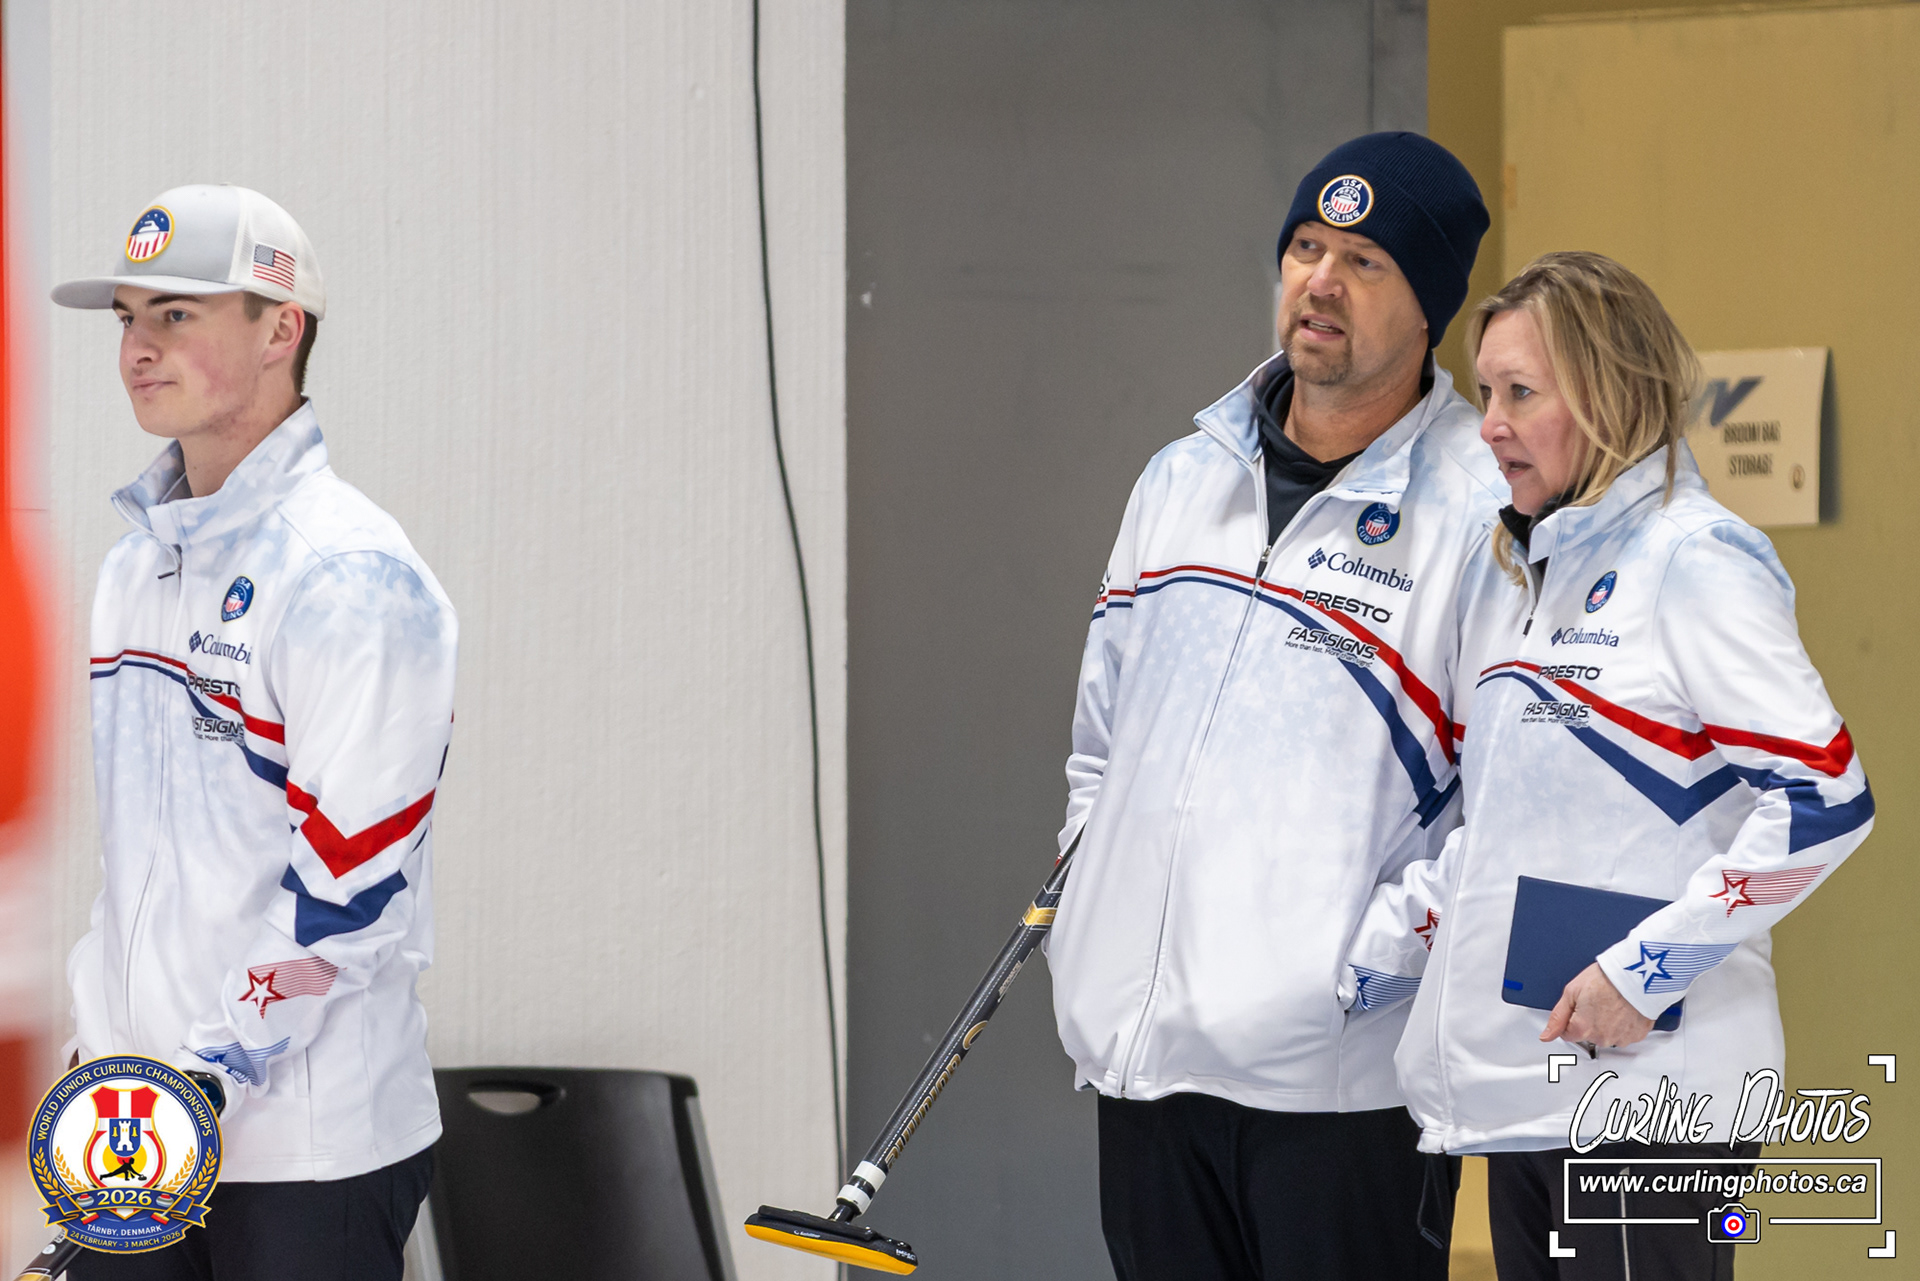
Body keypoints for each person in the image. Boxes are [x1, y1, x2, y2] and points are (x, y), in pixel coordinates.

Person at [1345, 251, 1873, 1279]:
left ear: (1608, 394)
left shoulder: (1694, 560)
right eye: (1486, 392)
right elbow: (1505, 834)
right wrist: (1381, 948)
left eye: (1521, 393)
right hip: (1528, 1095)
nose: (1489, 425)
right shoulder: (1521, 578)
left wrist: (1646, 969)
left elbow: (1825, 801)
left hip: (1651, 1104)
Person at [1045, 133, 1501, 1280]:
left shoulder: (1481, 514)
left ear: (1430, 305)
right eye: (1305, 248)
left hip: (1339, 1095)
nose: (1321, 282)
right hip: (1145, 1065)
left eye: (1365, 261)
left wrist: (1363, 968)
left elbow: (1515, 803)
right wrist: (1094, 912)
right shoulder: (1181, 480)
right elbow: (1102, 743)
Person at [53, 185, 457, 1280]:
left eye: (177, 314)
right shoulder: (135, 564)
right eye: (127, 318)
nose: (138, 347)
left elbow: (352, 889)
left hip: (303, 1153)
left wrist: (206, 1076)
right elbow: (140, 866)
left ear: (281, 329)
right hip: (136, 1126)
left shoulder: (353, 577)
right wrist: (103, 1052)